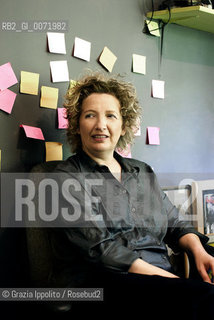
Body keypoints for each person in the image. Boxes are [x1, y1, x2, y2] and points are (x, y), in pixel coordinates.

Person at [48, 72, 214, 318]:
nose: (100, 125)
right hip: (105, 284)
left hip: (160, 280)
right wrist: (175, 282)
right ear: (77, 124)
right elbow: (100, 249)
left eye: (110, 116)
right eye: (90, 115)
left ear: (123, 125)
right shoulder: (65, 177)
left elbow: (174, 224)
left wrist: (199, 251)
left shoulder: (142, 170)